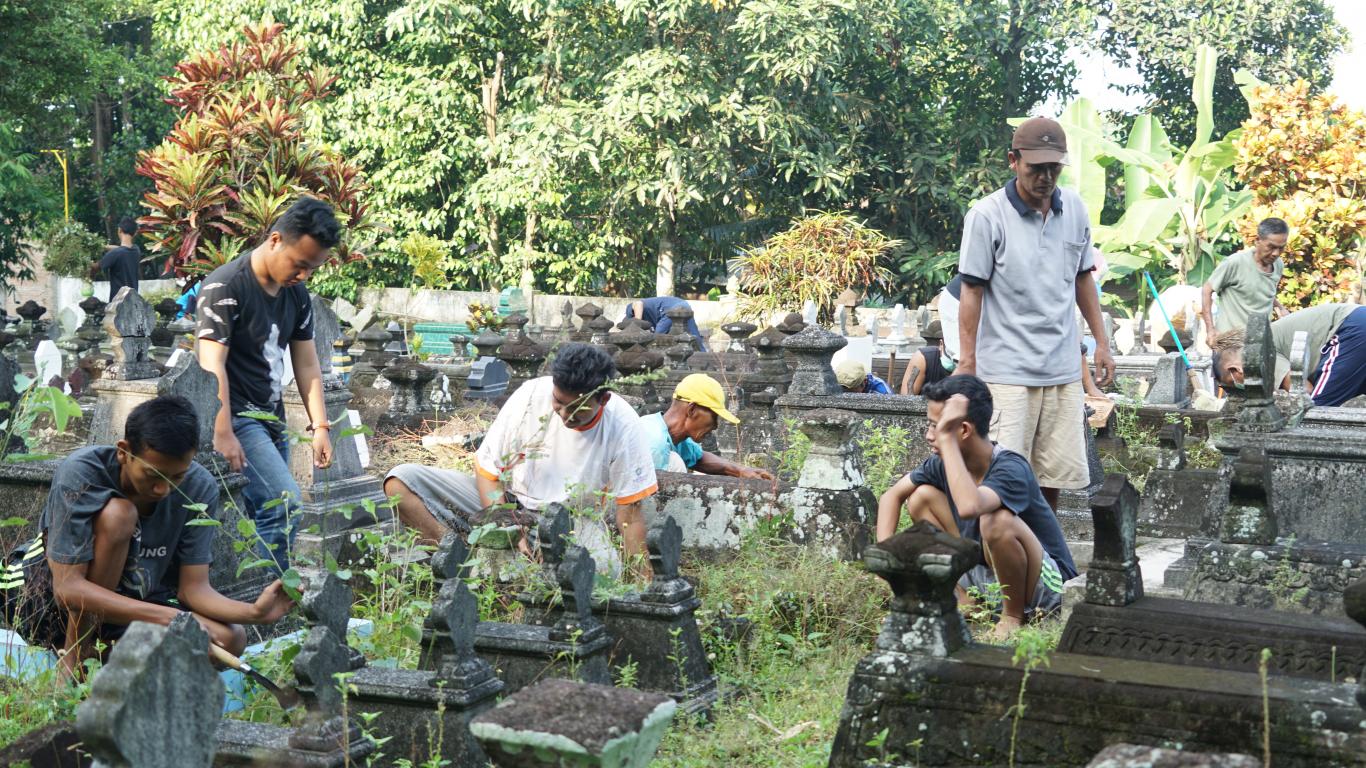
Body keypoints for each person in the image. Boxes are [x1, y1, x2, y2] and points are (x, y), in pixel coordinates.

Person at [0, 396, 294, 678]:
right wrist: (169, 619)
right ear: (124, 452)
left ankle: (109, 667)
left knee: (229, 639)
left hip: (122, 608)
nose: (163, 490)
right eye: (153, 475)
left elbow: (193, 590)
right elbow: (68, 589)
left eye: (176, 477)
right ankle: (77, 658)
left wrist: (254, 612)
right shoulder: (83, 471)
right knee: (119, 515)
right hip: (42, 600)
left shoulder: (199, 487)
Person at [385, 343, 658, 576]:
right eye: (558, 402)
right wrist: (507, 526)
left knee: (602, 570)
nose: (564, 415)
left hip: (572, 522)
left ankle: (510, 567)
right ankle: (461, 564)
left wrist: (643, 584)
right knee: (400, 482)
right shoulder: (529, 396)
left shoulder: (623, 426)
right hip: (508, 505)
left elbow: (630, 517)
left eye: (576, 409)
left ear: (604, 399)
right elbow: (488, 472)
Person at [955, 116, 1115, 513]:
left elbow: (1083, 280)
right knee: (1003, 481)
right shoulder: (987, 215)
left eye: (1053, 168)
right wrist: (968, 360)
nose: (1045, 177)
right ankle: (999, 567)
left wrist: (1102, 344)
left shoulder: (1074, 208)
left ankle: (1042, 565)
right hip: (1007, 372)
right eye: (1035, 168)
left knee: (1052, 480)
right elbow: (971, 289)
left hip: (1061, 370)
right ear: (1013, 160)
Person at [195, 197, 337, 573]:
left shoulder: (296, 295)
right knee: (283, 504)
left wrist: (320, 426)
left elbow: (306, 362)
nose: (303, 275)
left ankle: (258, 599)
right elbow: (212, 366)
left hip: (271, 420)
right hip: (238, 417)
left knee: (262, 513)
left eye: (312, 268)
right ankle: (265, 603)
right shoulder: (225, 287)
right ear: (275, 240)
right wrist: (223, 428)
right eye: (300, 264)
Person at [875, 376, 1077, 639]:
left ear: (964, 430)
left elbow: (971, 506)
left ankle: (1013, 616)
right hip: (989, 574)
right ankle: (965, 598)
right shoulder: (941, 464)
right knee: (921, 497)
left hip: (1045, 587)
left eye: (937, 427)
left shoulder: (1010, 468)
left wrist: (946, 439)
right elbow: (891, 496)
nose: (929, 436)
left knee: (996, 521)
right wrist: (887, 564)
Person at [1211, 303, 1365, 407]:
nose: (1242, 388)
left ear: (1236, 370)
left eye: (1234, 383)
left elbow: (1303, 392)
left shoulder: (1260, 352)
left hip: (1351, 329)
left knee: (1317, 413)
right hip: (1356, 320)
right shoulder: (1264, 338)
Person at [643, 373, 774, 479]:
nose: (716, 426)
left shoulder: (668, 433)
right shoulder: (654, 445)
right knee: (675, 463)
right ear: (692, 409)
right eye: (714, 416)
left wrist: (742, 470)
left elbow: (699, 458)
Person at [1201, 218, 1290, 348]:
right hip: (1230, 343)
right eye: (1271, 247)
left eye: (1281, 248)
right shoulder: (1234, 263)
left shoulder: (1278, 264)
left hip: (1259, 343)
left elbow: (1264, 291)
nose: (1276, 253)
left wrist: (1280, 308)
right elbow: (1207, 290)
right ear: (1258, 240)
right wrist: (1210, 330)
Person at [623, 296, 705, 348]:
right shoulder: (649, 318)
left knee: (657, 336)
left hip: (673, 308)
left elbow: (638, 303)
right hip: (683, 304)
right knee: (693, 333)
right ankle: (704, 353)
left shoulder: (630, 311)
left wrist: (638, 323)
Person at [899, 320, 953, 395]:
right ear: (941, 344)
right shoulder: (923, 359)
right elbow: (905, 401)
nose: (953, 357)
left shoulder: (971, 363)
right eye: (950, 352)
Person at [98, 217, 142, 298]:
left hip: (118, 303)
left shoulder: (115, 254)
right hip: (133, 300)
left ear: (119, 230)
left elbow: (96, 267)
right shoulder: (136, 250)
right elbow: (121, 249)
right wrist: (103, 247)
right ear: (135, 233)